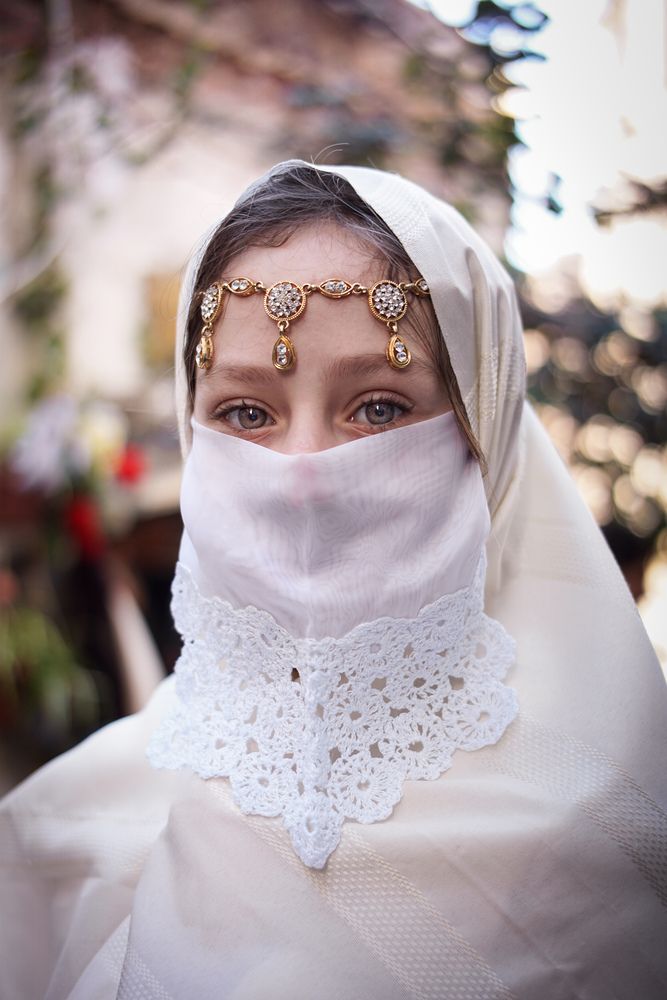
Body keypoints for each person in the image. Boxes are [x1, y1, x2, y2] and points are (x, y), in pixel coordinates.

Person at [1, 160, 666, 999]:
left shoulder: (608, 820)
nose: (307, 473)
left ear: (484, 435)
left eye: (379, 407)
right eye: (246, 412)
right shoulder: (59, 837)